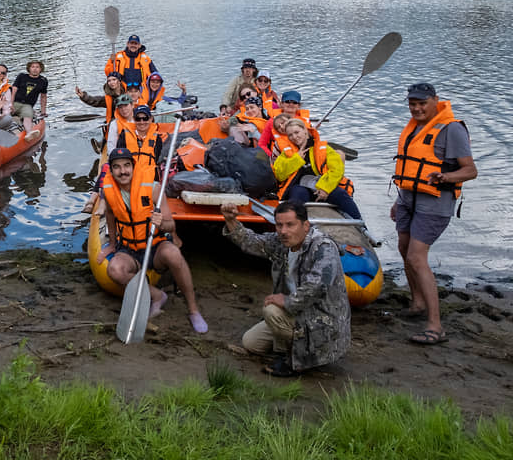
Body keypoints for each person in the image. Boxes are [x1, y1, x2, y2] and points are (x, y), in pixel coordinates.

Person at [221, 200, 351, 377]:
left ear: (305, 226)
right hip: (296, 313)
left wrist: (287, 300)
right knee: (251, 343)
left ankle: (292, 361)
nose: (283, 231)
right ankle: (290, 344)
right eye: (279, 225)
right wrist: (231, 221)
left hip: (322, 321)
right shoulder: (281, 243)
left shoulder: (323, 247)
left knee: (271, 310)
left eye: (290, 225)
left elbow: (316, 287)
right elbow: (252, 241)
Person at [391, 83, 477, 345]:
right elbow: (410, 168)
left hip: (435, 203)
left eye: (422, 103)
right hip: (408, 199)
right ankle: (417, 303)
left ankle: (435, 326)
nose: (416, 108)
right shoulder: (415, 127)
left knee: (417, 257)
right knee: (404, 248)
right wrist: (398, 201)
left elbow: (470, 170)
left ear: (435, 101)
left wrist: (446, 176)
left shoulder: (452, 129)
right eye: (412, 103)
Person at [96, 148, 207, 333]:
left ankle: (193, 310)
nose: (122, 171)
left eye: (126, 166)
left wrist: (161, 223)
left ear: (133, 166)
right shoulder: (108, 191)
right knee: (115, 270)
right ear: (112, 170)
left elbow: (171, 226)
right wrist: (113, 245)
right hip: (129, 249)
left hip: (154, 245)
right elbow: (109, 215)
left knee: (173, 254)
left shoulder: (154, 188)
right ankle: (157, 296)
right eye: (116, 167)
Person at [273, 119, 361, 220]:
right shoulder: (286, 152)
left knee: (340, 194)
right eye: (290, 135)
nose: (294, 137)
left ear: (305, 131)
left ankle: (360, 224)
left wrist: (325, 188)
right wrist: (296, 159)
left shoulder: (324, 148)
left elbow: (337, 170)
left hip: (322, 186)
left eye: (297, 132)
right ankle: (296, 224)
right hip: (301, 188)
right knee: (297, 194)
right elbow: (279, 174)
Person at [117, 105, 164, 173]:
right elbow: (119, 158)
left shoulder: (157, 138)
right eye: (138, 119)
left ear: (151, 119)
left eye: (145, 118)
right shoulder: (124, 135)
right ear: (134, 119)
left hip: (148, 176)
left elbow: (157, 158)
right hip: (128, 175)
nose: (142, 122)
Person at [11, 60, 47, 143]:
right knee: (4, 113)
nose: (35, 69)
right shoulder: (22, 76)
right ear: (29, 68)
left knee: (28, 115)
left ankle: (29, 133)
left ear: (40, 69)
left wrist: (43, 111)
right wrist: (11, 103)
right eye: (33, 67)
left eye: (37, 67)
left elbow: (43, 96)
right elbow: (14, 90)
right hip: (15, 102)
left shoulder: (43, 80)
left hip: (27, 105)